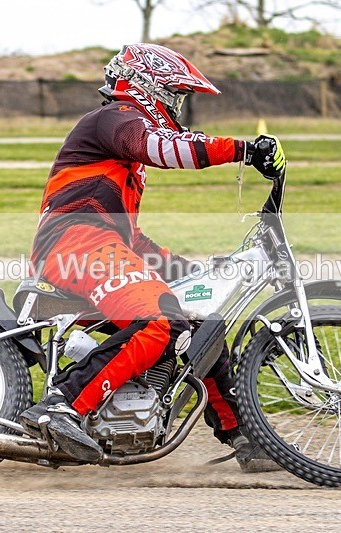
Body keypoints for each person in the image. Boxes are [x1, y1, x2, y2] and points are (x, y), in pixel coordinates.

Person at [20, 43, 286, 470]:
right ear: (145, 85)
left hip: (98, 244)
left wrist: (189, 270)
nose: (175, 107)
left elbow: (131, 238)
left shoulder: (120, 145)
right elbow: (169, 148)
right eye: (172, 95)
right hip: (76, 243)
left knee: (202, 316)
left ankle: (244, 438)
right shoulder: (114, 119)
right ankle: (59, 406)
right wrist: (244, 150)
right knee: (158, 322)